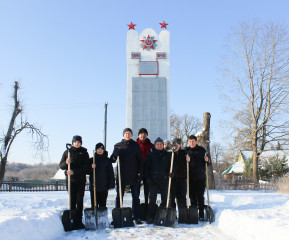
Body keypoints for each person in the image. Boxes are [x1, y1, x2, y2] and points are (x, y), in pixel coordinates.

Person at [110, 128, 143, 225]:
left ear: (132, 135)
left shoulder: (136, 146)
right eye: (126, 133)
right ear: (123, 135)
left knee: (136, 197)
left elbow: (140, 161)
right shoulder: (118, 145)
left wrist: (139, 174)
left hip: (134, 175)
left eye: (129, 133)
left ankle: (136, 216)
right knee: (119, 196)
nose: (127, 135)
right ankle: (117, 216)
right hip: (122, 176)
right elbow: (112, 160)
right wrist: (115, 154)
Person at [59, 135, 89, 229]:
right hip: (70, 181)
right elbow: (61, 166)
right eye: (75, 142)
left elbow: (86, 167)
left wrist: (74, 172)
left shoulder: (84, 153)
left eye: (79, 142)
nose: (77, 143)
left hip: (80, 180)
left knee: (79, 201)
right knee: (71, 201)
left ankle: (78, 221)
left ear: (81, 143)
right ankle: (71, 220)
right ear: (72, 143)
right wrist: (66, 163)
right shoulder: (67, 152)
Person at [145, 137, 174, 224]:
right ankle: (151, 217)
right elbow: (146, 167)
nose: (159, 145)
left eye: (161, 144)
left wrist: (172, 173)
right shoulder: (151, 155)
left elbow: (173, 166)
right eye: (157, 144)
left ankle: (163, 216)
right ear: (155, 145)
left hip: (164, 180)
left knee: (165, 199)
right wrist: (148, 178)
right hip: (153, 180)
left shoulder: (168, 155)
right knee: (152, 199)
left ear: (163, 145)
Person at [185, 135, 210, 221]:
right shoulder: (186, 151)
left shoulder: (202, 150)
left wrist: (207, 160)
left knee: (200, 196)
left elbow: (208, 163)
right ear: (188, 142)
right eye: (190, 141)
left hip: (200, 177)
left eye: (193, 141)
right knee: (192, 197)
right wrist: (186, 160)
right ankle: (194, 213)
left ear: (196, 141)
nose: (191, 143)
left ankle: (201, 214)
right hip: (190, 178)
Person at [88, 142, 115, 209]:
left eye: (101, 149)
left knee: (102, 205)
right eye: (98, 149)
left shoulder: (107, 160)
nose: (100, 150)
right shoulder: (92, 160)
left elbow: (111, 173)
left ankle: (102, 218)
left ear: (103, 150)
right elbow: (86, 171)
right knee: (94, 205)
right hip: (94, 186)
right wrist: (91, 167)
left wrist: (111, 184)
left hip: (104, 186)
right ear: (96, 150)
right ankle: (94, 217)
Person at [136, 128, 155, 205]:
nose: (143, 135)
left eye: (144, 134)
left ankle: (148, 207)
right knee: (136, 192)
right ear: (138, 135)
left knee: (148, 192)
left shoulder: (151, 146)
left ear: (147, 135)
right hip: (137, 171)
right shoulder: (135, 145)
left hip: (148, 171)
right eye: (141, 133)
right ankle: (136, 209)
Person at [170, 138, 187, 210]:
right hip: (172, 179)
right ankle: (173, 214)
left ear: (180, 145)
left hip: (182, 178)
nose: (176, 145)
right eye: (174, 143)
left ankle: (182, 213)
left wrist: (188, 160)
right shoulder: (170, 153)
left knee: (182, 197)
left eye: (178, 143)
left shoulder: (184, 153)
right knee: (171, 197)